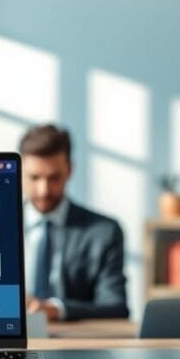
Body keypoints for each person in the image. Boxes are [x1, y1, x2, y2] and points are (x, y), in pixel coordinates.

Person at [20, 124, 128, 321]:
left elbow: (116, 306)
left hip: (74, 341)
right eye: (34, 177)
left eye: (54, 178)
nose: (43, 190)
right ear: (19, 172)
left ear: (69, 170)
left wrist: (56, 309)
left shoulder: (104, 232)